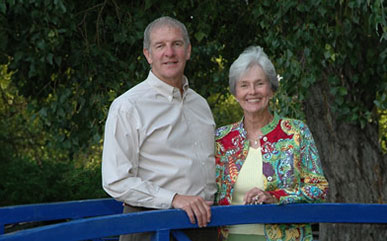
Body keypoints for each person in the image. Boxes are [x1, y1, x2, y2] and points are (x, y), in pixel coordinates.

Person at [102, 16, 217, 241]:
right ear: (148, 55)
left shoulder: (200, 104)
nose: (169, 52)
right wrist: (174, 198)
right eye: (160, 45)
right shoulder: (128, 106)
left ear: (188, 51)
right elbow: (115, 181)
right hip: (152, 227)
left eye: (176, 44)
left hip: (206, 226)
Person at [215, 46, 329, 241]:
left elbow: (319, 188)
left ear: (272, 89)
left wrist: (276, 197)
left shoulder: (296, 132)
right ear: (235, 93)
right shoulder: (221, 138)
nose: (252, 91)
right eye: (244, 85)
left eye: (260, 83)